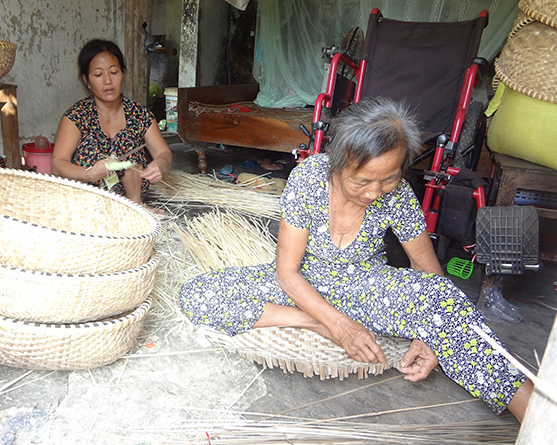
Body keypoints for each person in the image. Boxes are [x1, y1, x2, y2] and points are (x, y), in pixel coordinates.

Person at [180, 97, 533, 422]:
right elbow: (287, 273)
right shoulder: (309, 178)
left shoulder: (398, 196)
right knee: (199, 294)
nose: (374, 192)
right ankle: (309, 320)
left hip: (368, 286)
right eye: (361, 181)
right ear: (338, 162)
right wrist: (334, 325)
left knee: (444, 300)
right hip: (306, 283)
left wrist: (431, 334)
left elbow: (427, 271)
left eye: (389, 180)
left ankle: (528, 407)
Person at [52, 39, 172, 206]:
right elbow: (58, 164)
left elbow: (164, 153)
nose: (108, 81)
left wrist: (160, 165)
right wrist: (90, 174)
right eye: (98, 75)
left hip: (131, 201)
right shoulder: (77, 116)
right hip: (88, 201)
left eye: (114, 72)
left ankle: (135, 208)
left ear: (123, 74)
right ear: (87, 80)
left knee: (127, 148)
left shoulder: (139, 114)